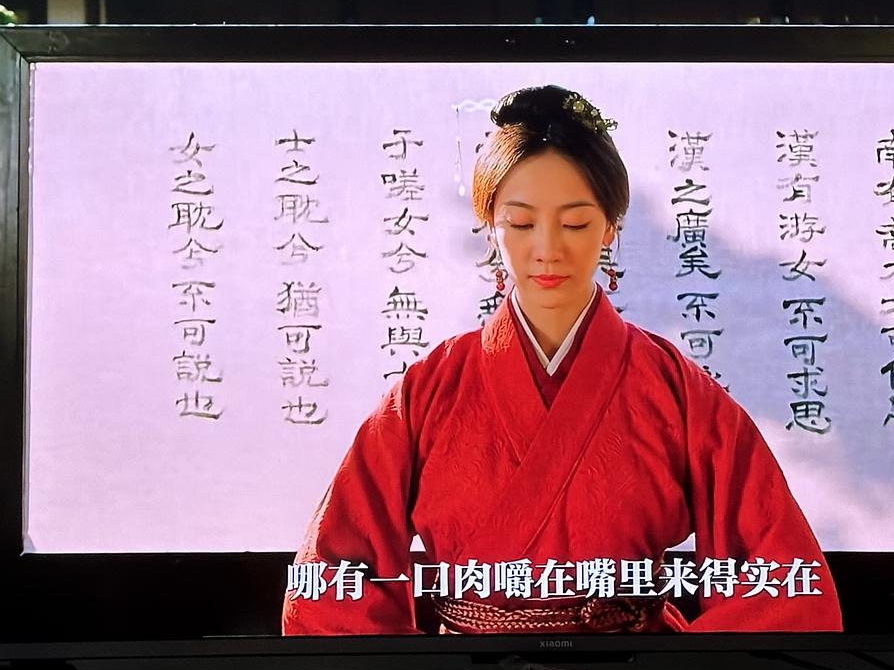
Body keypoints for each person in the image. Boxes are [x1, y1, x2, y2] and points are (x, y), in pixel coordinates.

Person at [282, 85, 843, 635]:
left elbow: (785, 580)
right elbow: (332, 580)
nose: (548, 249)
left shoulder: (675, 389)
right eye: (521, 224)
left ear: (611, 227)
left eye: (575, 223)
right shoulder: (429, 391)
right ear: (490, 227)